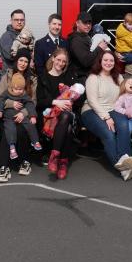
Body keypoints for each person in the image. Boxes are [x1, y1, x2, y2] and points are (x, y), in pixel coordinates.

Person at [81, 50, 132, 181]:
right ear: (100, 61)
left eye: (111, 60)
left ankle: (126, 163)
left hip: (113, 109)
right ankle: (123, 166)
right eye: (105, 60)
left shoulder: (118, 77)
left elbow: (126, 95)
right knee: (108, 133)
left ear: (115, 62)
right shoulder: (93, 77)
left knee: (123, 124)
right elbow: (92, 101)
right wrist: (106, 117)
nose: (108, 63)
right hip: (91, 111)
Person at [0, 48, 39, 182]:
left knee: (22, 130)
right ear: (16, 60)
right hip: (8, 114)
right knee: (7, 131)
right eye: (21, 60)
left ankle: (24, 161)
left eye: (26, 61)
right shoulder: (6, 76)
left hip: (24, 115)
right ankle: (4, 167)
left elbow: (33, 101)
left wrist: (23, 113)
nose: (23, 63)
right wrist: (10, 104)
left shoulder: (32, 79)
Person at [36, 48, 80, 180]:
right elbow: (40, 101)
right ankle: (62, 161)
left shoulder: (68, 77)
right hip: (48, 115)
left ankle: (54, 157)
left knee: (66, 117)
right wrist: (56, 102)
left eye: (64, 62)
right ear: (53, 58)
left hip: (67, 113)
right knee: (66, 127)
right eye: (59, 59)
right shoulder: (43, 76)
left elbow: (76, 97)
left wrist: (70, 102)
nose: (60, 63)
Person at [67, 11, 107, 83]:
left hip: (86, 77)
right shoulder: (76, 40)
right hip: (80, 80)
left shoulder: (85, 36)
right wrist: (100, 48)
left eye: (89, 23)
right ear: (77, 23)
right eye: (85, 23)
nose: (88, 25)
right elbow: (86, 61)